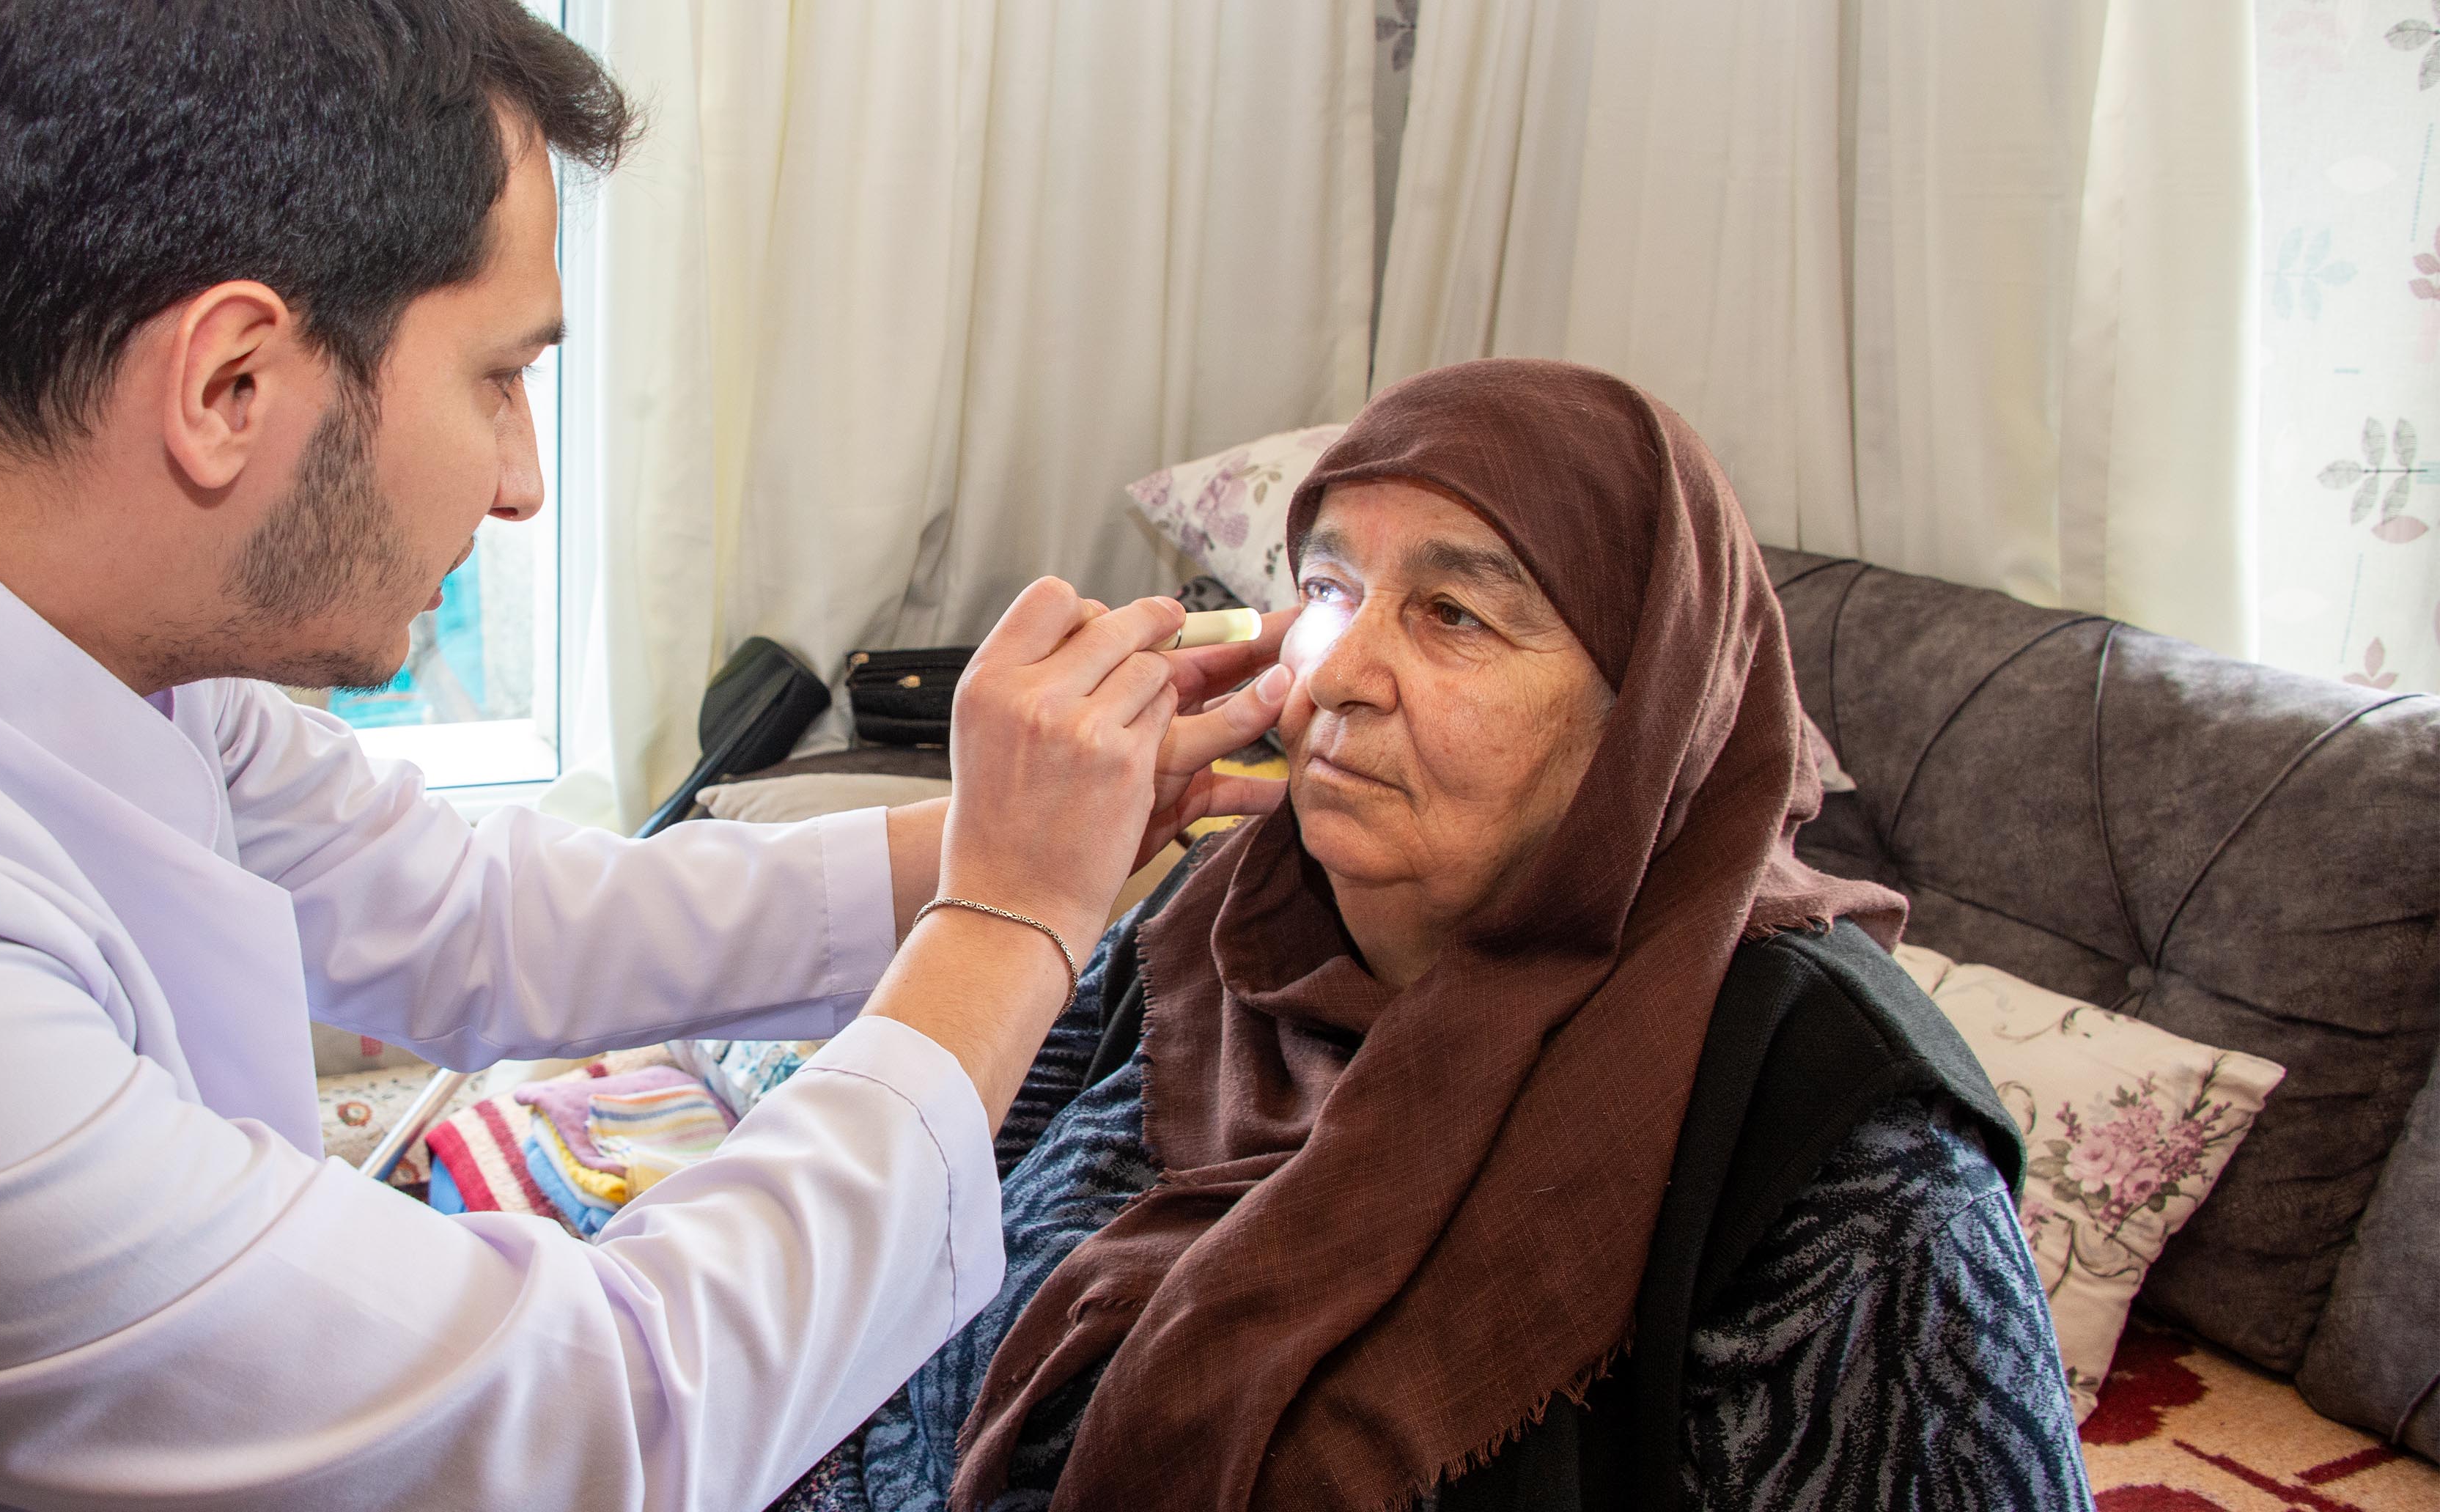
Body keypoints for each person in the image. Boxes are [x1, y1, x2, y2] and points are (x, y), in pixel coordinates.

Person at [0, 0, 1296, 1511]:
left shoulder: (17, 586)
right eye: (497, 376)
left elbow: (478, 913)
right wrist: (1005, 920)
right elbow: (605, 1421)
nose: (518, 478)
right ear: (232, 382)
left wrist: (1016, 824)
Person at [784, 360, 2093, 1512]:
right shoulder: (1223, 924)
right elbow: (900, 1228)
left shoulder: (1832, 1139)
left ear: (1645, 715)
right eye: (1331, 588)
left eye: (1454, 616)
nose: (1341, 672)